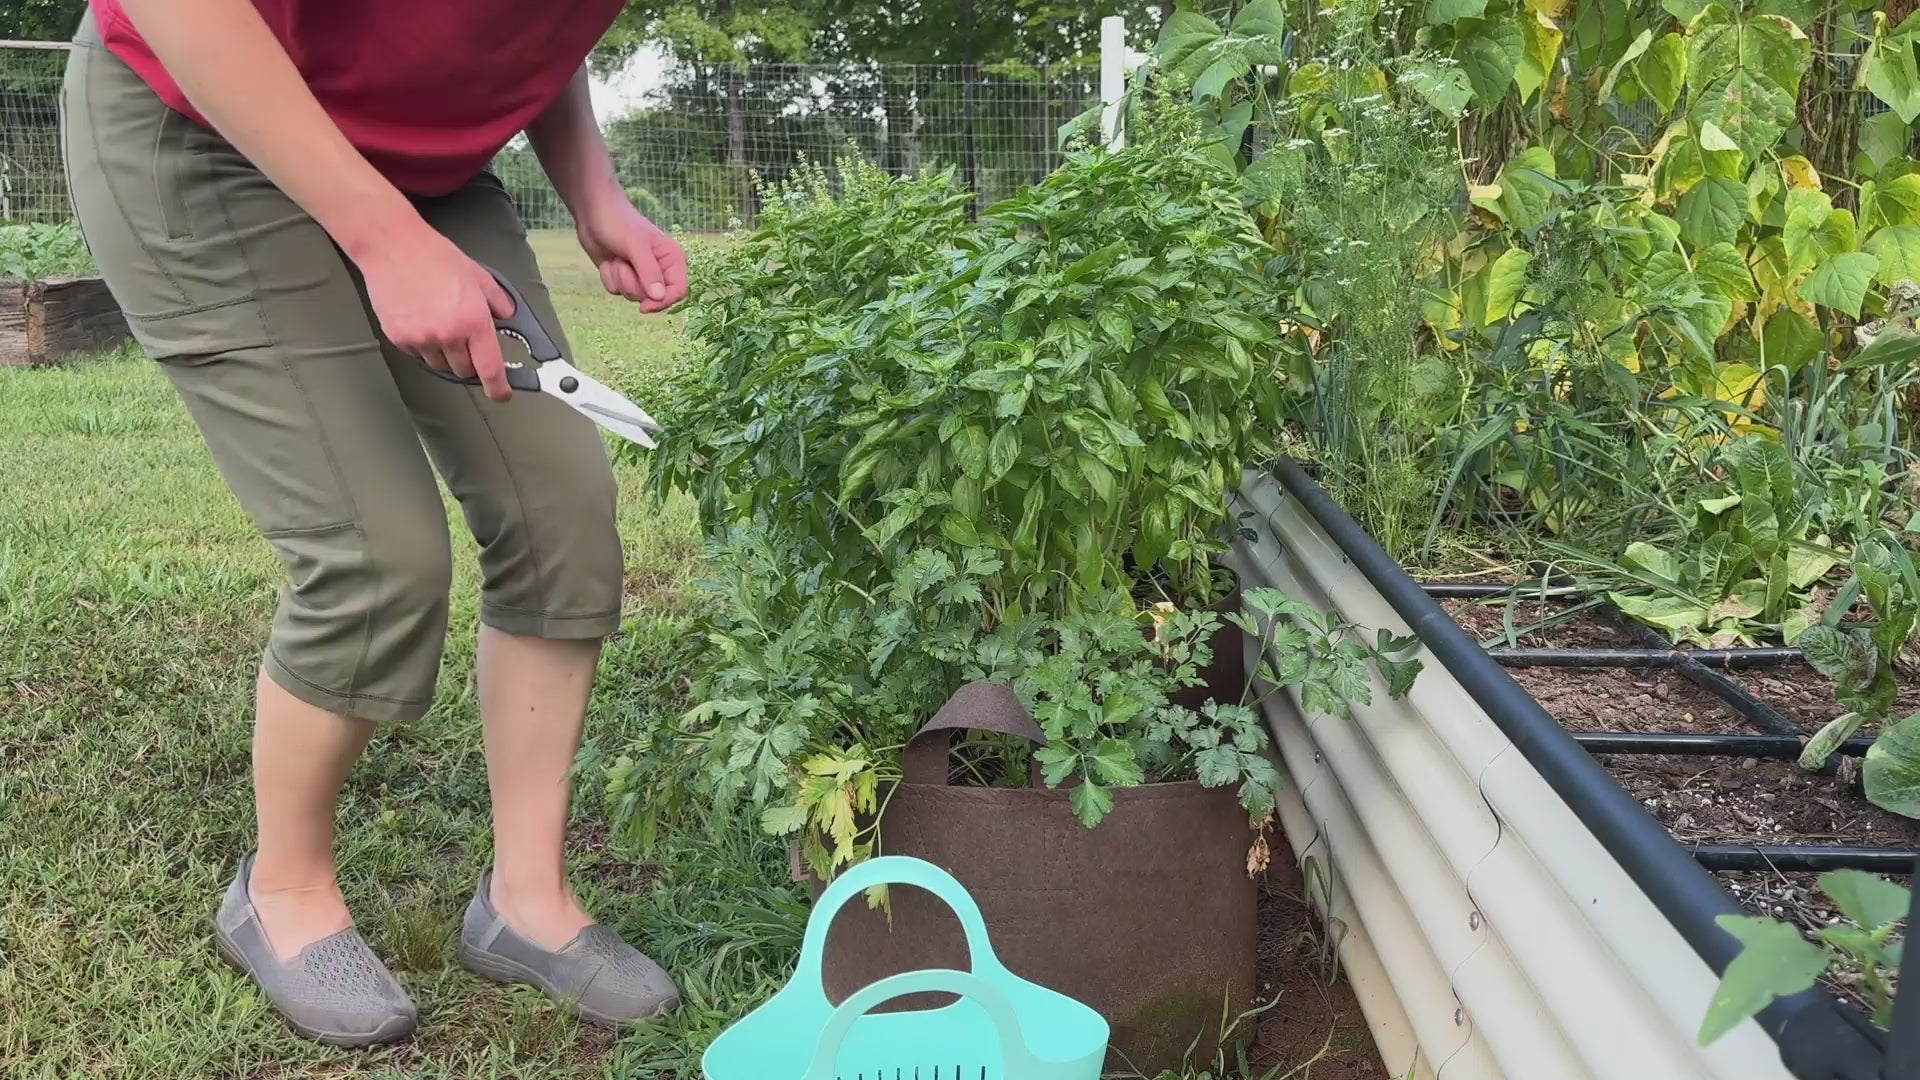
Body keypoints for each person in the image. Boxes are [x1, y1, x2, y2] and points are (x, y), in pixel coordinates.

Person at [59, 0, 688, 1048]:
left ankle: (527, 903)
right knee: (375, 555)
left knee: (562, 513)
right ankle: (284, 889)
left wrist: (594, 190)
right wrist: (384, 238)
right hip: (201, 121)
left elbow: (534, 27)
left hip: (426, 170)